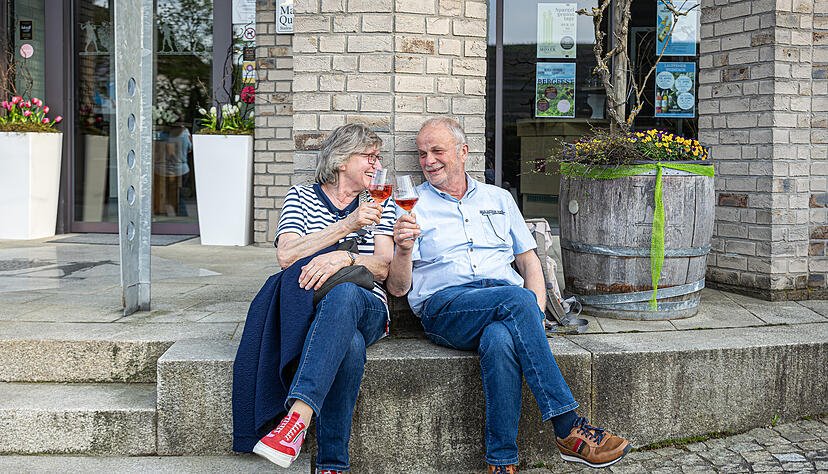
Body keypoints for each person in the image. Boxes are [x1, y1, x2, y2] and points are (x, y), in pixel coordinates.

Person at [386, 118, 631, 472]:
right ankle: (567, 426)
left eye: (437, 151)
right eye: (422, 154)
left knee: (500, 340)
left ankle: (501, 462)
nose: (428, 161)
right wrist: (404, 250)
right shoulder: (409, 205)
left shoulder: (499, 198)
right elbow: (397, 288)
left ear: (463, 152)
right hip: (447, 308)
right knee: (518, 301)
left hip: (504, 305)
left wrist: (535, 316)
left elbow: (529, 262)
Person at [253, 123, 395, 472]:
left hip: (370, 307)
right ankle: (332, 465)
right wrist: (347, 226)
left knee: (346, 292)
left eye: (378, 157)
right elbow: (287, 255)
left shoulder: (381, 200)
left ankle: (296, 420)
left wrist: (344, 257)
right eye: (370, 156)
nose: (377, 165)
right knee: (350, 345)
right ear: (342, 160)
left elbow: (382, 267)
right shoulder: (300, 197)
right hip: (314, 311)